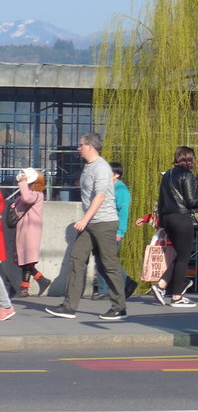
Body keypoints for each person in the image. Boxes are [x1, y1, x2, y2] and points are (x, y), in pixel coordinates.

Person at [46, 132, 127, 320]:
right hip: (90, 223)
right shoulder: (88, 167)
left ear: (90, 146)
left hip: (104, 223)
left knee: (108, 264)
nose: (78, 148)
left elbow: (100, 196)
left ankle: (119, 306)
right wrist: (86, 220)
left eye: (80, 144)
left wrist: (84, 219)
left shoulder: (101, 168)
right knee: (76, 259)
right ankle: (69, 306)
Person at [151, 145, 198, 308]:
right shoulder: (187, 176)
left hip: (167, 218)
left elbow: (161, 199)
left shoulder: (168, 174)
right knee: (183, 257)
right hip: (181, 219)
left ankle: (161, 287)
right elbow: (191, 201)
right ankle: (176, 296)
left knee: (178, 255)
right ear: (190, 159)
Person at [94, 161, 132, 299]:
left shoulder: (121, 190)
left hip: (112, 228)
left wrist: (120, 231)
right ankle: (107, 288)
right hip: (102, 226)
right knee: (101, 258)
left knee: (107, 259)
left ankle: (111, 288)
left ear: (116, 175)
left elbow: (123, 212)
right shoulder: (106, 187)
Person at [12, 168, 49, 297]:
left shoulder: (37, 194)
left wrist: (22, 183)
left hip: (31, 230)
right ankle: (40, 281)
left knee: (28, 260)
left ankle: (25, 288)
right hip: (24, 229)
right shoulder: (29, 194)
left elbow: (27, 199)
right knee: (25, 259)